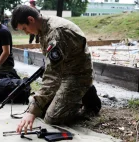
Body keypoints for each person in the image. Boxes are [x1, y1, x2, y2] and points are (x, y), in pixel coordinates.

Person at [11, 5, 100, 133]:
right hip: (64, 72)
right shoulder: (43, 28)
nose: (26, 33)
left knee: (52, 118)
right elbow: (51, 66)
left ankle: (89, 98)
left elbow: (52, 76)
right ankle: (81, 94)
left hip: (77, 75)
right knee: (40, 108)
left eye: (25, 28)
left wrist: (33, 111)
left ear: (31, 19)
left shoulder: (56, 33)